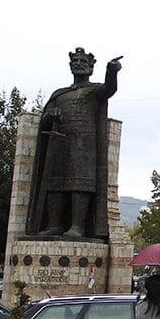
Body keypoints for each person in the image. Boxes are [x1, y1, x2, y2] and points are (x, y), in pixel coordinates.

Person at [26, 47, 120, 239]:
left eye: (83, 62)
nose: (78, 64)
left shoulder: (94, 91)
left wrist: (111, 71)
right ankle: (54, 225)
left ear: (91, 68)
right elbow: (44, 120)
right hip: (59, 144)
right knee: (55, 184)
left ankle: (77, 226)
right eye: (75, 61)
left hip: (84, 145)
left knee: (80, 185)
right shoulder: (59, 94)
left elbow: (110, 88)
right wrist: (48, 117)